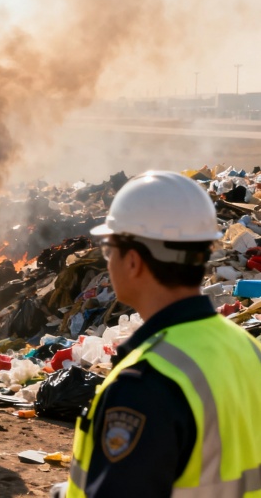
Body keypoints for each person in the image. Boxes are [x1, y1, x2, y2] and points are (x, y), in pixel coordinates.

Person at [54, 170, 261, 498]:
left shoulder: (145, 386)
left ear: (133, 261)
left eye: (109, 250)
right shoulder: (248, 349)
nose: (108, 262)